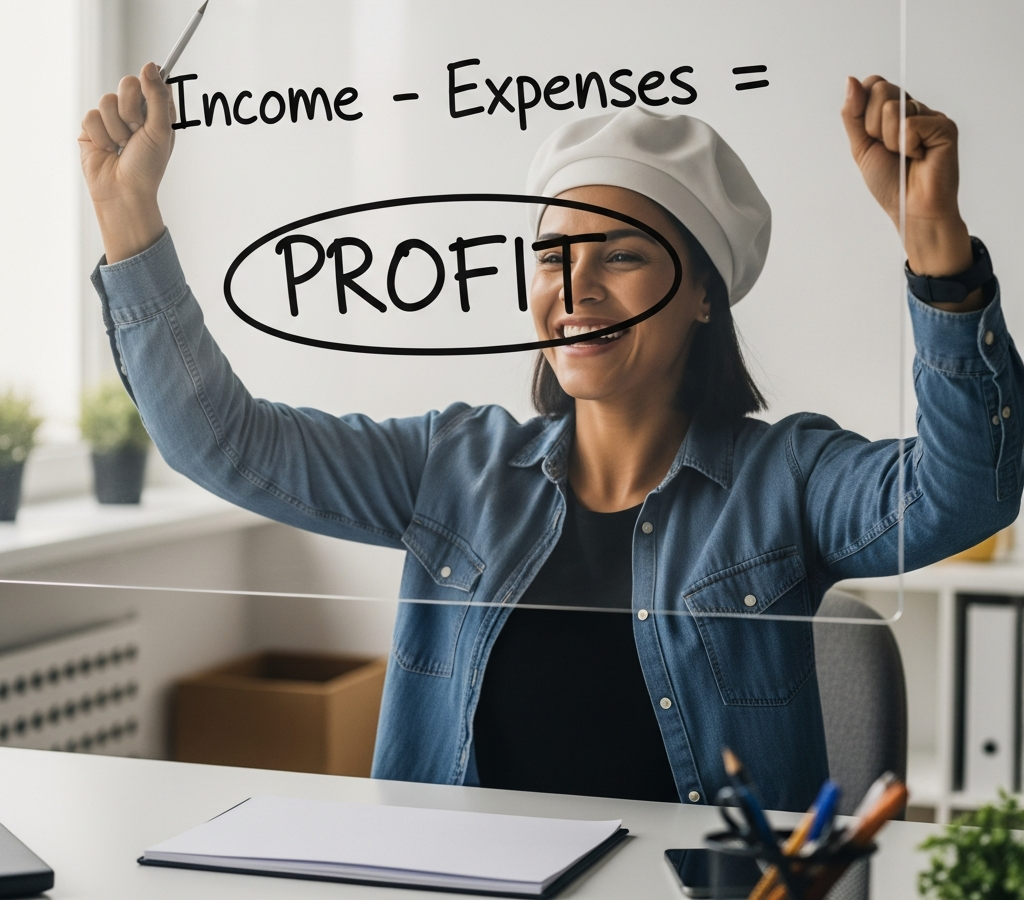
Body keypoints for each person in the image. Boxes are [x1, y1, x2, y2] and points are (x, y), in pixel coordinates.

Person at [79, 64, 1022, 811]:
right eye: (551, 256)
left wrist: (933, 242)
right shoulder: (453, 467)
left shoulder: (788, 477)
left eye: (620, 254)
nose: (574, 290)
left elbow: (963, 494)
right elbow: (225, 445)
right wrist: (129, 218)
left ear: (702, 294)